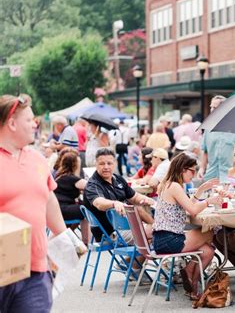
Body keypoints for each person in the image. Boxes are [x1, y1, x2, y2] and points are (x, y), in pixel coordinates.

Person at [0, 94, 67, 312]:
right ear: (11, 123)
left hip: (35, 272)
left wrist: (64, 239)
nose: (35, 124)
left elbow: (48, 197)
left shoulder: (37, 159)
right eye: (29, 120)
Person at [152, 152, 221, 299]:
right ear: (183, 169)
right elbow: (193, 211)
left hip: (163, 239)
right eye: (192, 171)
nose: (193, 174)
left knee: (208, 251)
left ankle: (192, 286)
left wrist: (201, 190)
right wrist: (210, 201)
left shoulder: (168, 184)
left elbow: (188, 205)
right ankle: (190, 273)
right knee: (209, 232)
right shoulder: (175, 186)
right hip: (169, 240)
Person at [83, 148, 155, 242]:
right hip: (108, 233)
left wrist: (147, 200)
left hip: (126, 227)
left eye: (109, 163)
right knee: (156, 234)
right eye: (102, 164)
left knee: (152, 240)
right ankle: (158, 229)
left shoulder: (117, 178)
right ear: (96, 164)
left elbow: (134, 197)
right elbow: (99, 203)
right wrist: (114, 203)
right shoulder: (93, 184)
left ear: (115, 164)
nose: (106, 167)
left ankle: (157, 230)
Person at [198, 95, 235, 182]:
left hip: (232, 177)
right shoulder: (208, 128)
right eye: (211, 107)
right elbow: (205, 151)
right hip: (211, 176)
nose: (212, 110)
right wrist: (202, 168)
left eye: (215, 107)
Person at [53, 151, 90, 244]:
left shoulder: (60, 176)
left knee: (80, 208)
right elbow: (91, 186)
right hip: (64, 209)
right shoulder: (72, 178)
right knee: (86, 210)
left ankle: (68, 233)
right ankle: (86, 241)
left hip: (57, 210)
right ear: (74, 165)